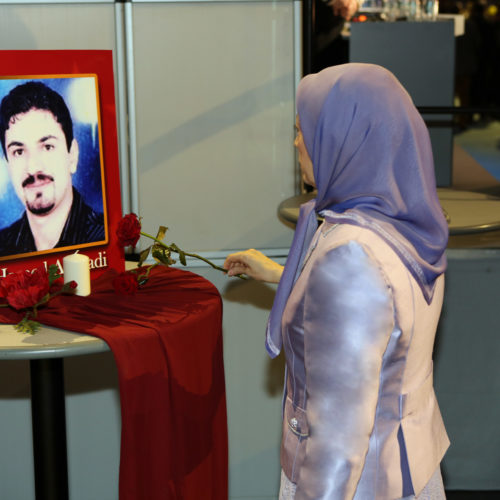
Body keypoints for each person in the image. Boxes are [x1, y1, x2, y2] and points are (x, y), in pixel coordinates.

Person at [224, 64, 449, 499]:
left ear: (345, 138)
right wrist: (276, 272)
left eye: (303, 130)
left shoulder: (349, 255)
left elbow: (337, 442)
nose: (296, 143)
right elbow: (387, 310)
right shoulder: (410, 223)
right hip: (409, 466)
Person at [0, 81, 104, 257]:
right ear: (8, 164)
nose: (33, 167)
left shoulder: (105, 240)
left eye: (47, 147)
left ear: (72, 155)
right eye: (18, 151)